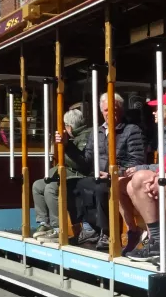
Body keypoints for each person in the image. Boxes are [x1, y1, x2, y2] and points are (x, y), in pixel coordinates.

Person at [57, 92, 145, 251]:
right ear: (101, 111)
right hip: (99, 175)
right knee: (72, 185)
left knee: (101, 188)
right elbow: (86, 162)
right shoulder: (96, 133)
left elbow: (136, 161)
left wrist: (115, 173)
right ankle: (87, 228)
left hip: (120, 176)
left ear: (121, 110)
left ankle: (106, 232)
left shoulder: (131, 130)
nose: (110, 113)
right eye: (106, 110)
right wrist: (67, 145)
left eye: (115, 110)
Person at [124, 94, 166, 262]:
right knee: (129, 186)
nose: (153, 113)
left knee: (139, 178)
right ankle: (155, 238)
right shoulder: (164, 133)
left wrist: (143, 169)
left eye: (157, 110)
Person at [32, 109, 91, 239]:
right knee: (37, 185)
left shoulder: (86, 136)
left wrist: (66, 145)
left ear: (69, 126)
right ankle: (43, 223)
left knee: (51, 188)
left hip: (78, 174)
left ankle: (58, 227)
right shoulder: (72, 137)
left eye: (65, 126)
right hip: (68, 173)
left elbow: (79, 164)